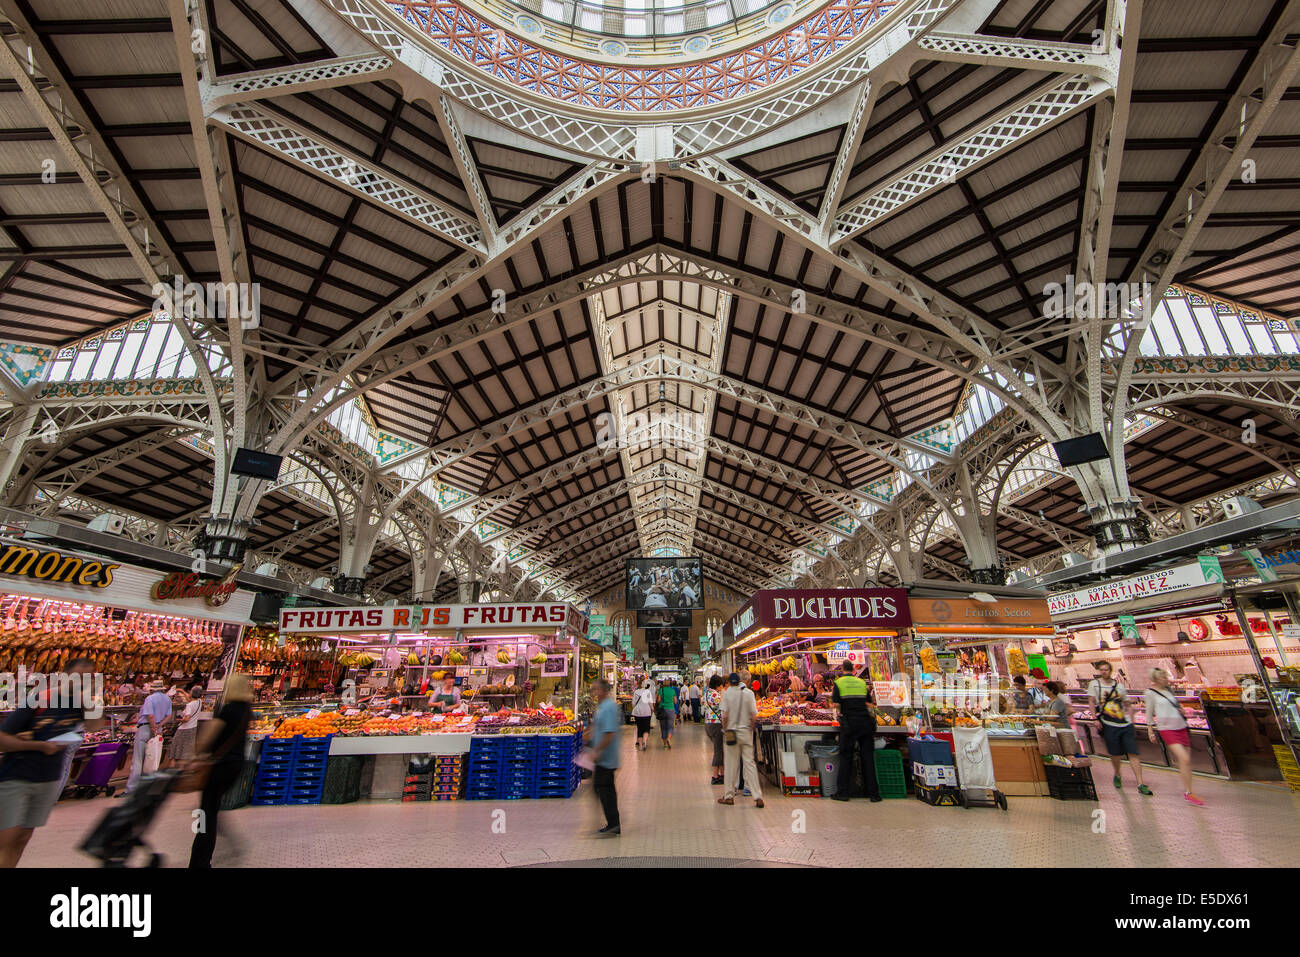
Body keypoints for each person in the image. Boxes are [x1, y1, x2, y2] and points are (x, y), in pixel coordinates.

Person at [0, 658, 103, 867]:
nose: (81, 682)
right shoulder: (39, 700)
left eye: (87, 678)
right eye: (78, 677)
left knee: (21, 840)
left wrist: (92, 699)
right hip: (16, 778)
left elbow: (93, 727)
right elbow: (2, 739)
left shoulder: (79, 706)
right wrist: (39, 746)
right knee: (6, 842)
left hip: (46, 780)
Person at [189, 673, 254, 868]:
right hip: (235, 765)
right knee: (211, 809)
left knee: (205, 813)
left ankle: (200, 860)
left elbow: (209, 736)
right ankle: (214, 843)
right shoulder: (246, 710)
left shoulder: (228, 709)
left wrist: (197, 754)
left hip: (218, 766)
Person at [1088, 660, 1151, 795]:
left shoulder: (1119, 686)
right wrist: (1094, 719)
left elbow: (1127, 704)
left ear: (1110, 671)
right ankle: (1117, 774)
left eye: (1106, 669)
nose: (1104, 672)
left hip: (1125, 724)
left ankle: (1140, 783)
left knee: (1133, 753)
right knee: (1115, 754)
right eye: (1102, 670)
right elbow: (1091, 702)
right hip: (1108, 724)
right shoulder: (1095, 685)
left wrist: (1132, 721)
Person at [1145, 668, 1204, 806]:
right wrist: (1150, 730)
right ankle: (1188, 793)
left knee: (1186, 761)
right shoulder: (1150, 693)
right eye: (1163, 677)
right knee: (1184, 758)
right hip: (1167, 729)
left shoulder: (1169, 690)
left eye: (1166, 676)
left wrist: (1181, 710)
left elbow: (1176, 706)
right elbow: (1149, 712)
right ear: (1156, 679)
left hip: (1181, 725)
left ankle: (1189, 791)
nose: (1166, 679)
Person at [830, 661, 881, 802]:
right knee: (868, 758)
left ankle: (843, 793)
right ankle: (874, 794)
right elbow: (869, 704)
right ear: (853, 669)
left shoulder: (839, 683)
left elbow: (836, 704)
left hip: (850, 723)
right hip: (865, 722)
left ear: (842, 669)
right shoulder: (861, 683)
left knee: (846, 757)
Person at [717, 672, 763, 807]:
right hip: (746, 732)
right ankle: (757, 796)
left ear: (730, 682)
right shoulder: (749, 694)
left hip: (732, 732)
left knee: (731, 765)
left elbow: (724, 716)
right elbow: (754, 716)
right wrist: (750, 729)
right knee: (750, 764)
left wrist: (725, 730)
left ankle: (729, 796)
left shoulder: (727, 694)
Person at [126, 679, 173, 794]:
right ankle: (147, 787)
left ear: (152, 689)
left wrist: (153, 727)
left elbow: (150, 716)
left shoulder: (150, 699)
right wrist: (159, 726)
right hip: (158, 729)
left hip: (146, 728)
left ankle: (132, 789)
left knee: (138, 760)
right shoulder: (167, 699)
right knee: (152, 759)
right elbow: (169, 715)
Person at [587, 678, 621, 836]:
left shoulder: (608, 707)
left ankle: (614, 824)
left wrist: (596, 750)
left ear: (603, 690)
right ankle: (613, 823)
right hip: (603, 757)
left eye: (596, 690)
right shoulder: (602, 707)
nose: (594, 693)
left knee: (603, 789)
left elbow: (609, 733)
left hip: (606, 757)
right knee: (604, 788)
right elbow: (599, 728)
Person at [171, 686, 204, 761]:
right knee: (186, 751)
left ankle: (172, 769)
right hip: (192, 728)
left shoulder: (189, 705)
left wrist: (178, 720)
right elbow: (190, 699)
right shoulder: (199, 701)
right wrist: (182, 691)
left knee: (174, 751)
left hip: (184, 729)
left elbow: (186, 719)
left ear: (192, 693)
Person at [703, 675, 725, 784]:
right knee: (718, 750)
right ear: (717, 685)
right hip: (716, 724)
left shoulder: (706, 693)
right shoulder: (716, 695)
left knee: (719, 749)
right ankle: (715, 776)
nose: (722, 687)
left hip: (708, 724)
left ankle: (722, 773)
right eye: (721, 685)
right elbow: (723, 708)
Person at [630, 679, 654, 750]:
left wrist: (636, 708)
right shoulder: (647, 692)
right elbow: (651, 703)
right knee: (646, 728)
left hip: (638, 713)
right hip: (646, 712)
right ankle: (645, 742)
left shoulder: (636, 692)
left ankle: (640, 745)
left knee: (639, 729)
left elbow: (633, 703)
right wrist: (652, 709)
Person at [657, 680, 677, 748]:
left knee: (663, 727)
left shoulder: (661, 690)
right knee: (670, 726)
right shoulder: (672, 691)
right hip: (670, 709)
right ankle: (669, 738)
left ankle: (665, 744)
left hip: (662, 710)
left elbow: (659, 700)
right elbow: (675, 701)